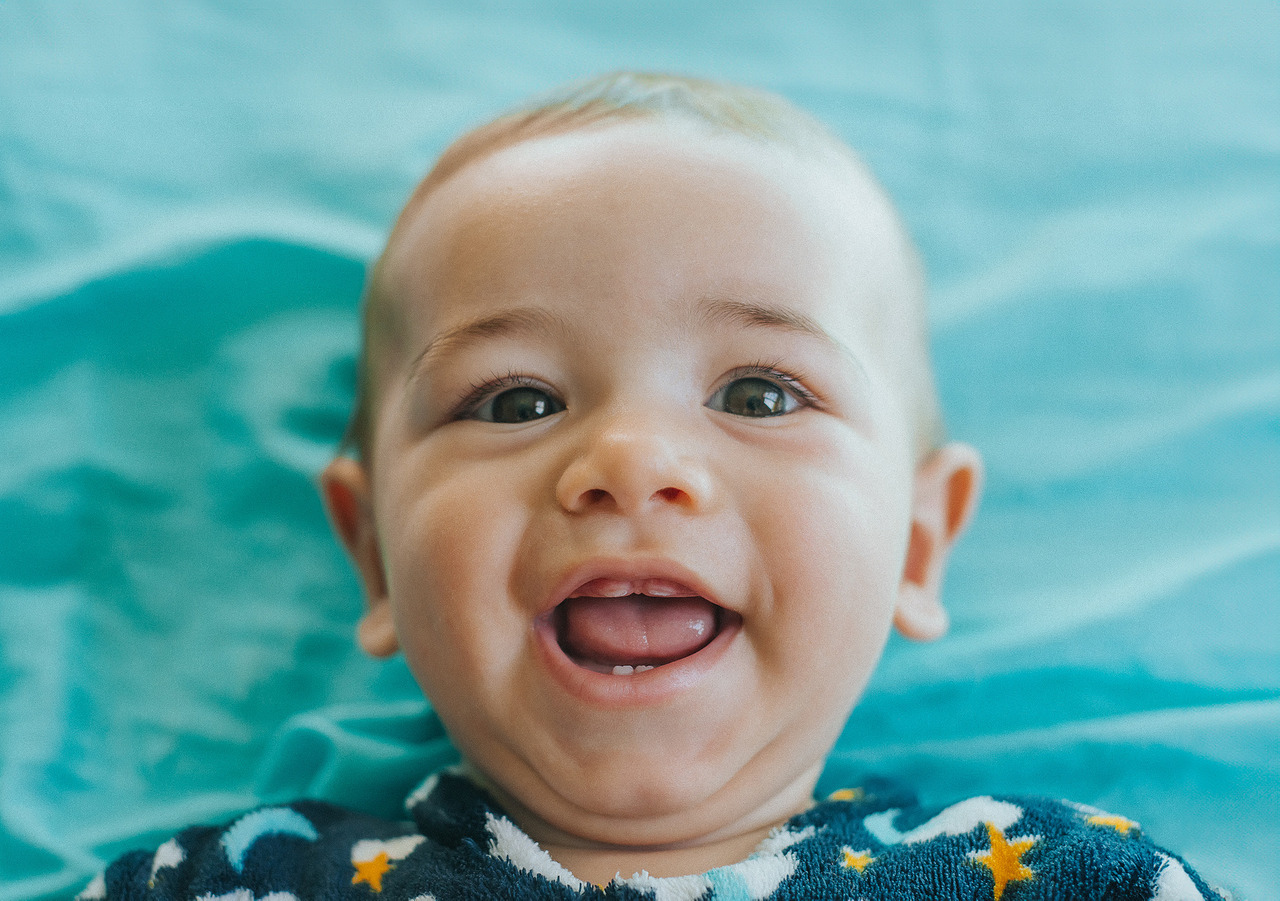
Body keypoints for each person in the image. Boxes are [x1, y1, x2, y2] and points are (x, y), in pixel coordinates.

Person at [83, 71, 1221, 901]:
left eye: (761, 394)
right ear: (373, 550)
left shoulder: (1067, 880)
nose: (629, 459)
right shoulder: (232, 882)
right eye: (515, 401)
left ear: (918, 545)